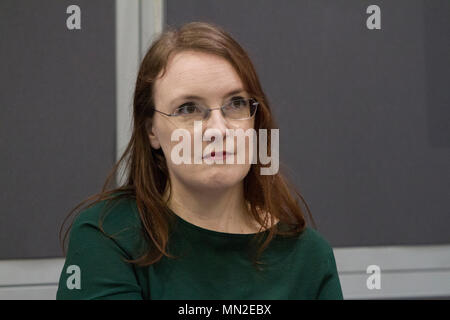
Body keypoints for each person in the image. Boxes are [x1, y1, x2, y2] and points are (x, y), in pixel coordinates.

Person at [57, 21, 343, 300]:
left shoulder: (308, 258)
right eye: (188, 109)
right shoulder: (109, 236)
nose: (218, 130)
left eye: (236, 104)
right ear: (151, 130)